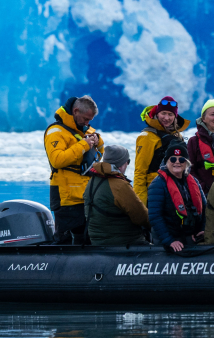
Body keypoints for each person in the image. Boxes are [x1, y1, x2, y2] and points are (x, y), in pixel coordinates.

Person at [44, 96, 102, 244]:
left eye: (90, 120)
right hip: (66, 197)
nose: (87, 122)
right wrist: (83, 145)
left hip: (85, 194)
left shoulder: (85, 129)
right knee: (64, 240)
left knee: (88, 238)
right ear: (75, 111)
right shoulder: (55, 131)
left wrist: (97, 141)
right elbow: (57, 160)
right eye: (85, 118)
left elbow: (99, 155)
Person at [84, 144, 148, 246]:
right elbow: (142, 217)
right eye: (128, 162)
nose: (127, 165)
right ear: (121, 164)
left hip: (96, 240)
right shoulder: (119, 185)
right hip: (124, 241)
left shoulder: (92, 180)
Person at [147, 145, 206, 252]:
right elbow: (155, 216)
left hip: (188, 236)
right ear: (166, 162)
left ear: (187, 163)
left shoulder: (194, 182)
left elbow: (205, 208)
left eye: (181, 159)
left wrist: (202, 230)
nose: (177, 162)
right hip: (167, 239)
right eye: (173, 159)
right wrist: (169, 240)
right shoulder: (157, 185)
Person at [134, 96, 190, 204]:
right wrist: (141, 206)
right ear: (157, 113)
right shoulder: (147, 137)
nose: (166, 118)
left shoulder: (177, 136)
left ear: (175, 116)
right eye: (163, 113)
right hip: (155, 193)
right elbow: (140, 173)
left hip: (176, 192)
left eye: (170, 114)